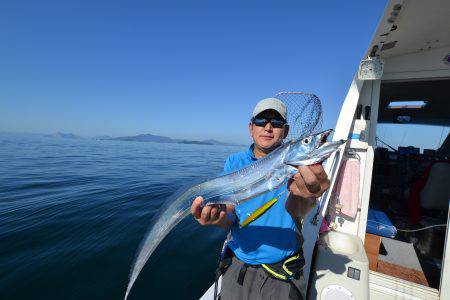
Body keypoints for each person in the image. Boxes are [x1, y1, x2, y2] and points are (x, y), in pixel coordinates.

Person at [190, 98, 330, 299]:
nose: (268, 126)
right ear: (251, 128)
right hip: (238, 264)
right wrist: (220, 219)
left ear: (286, 131)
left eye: (277, 122)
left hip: (281, 273)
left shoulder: (297, 167)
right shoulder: (235, 161)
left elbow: (297, 210)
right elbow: (231, 214)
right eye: (261, 120)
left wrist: (307, 196)